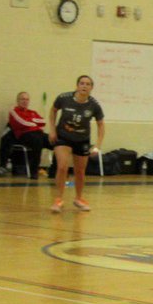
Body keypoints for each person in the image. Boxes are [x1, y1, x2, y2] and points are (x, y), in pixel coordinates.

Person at [49, 75, 105, 213]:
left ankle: (79, 198)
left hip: (82, 139)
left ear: (91, 88)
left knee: (80, 171)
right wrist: (51, 130)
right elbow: (53, 111)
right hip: (63, 137)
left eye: (88, 84)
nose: (84, 86)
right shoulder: (64, 98)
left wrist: (97, 145)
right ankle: (58, 199)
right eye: (82, 83)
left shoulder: (94, 105)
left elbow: (101, 125)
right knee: (62, 166)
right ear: (77, 85)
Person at [3, 91, 52, 178]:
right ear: (18, 101)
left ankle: (54, 170)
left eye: (27, 99)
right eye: (22, 99)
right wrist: (34, 122)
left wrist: (31, 121)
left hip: (38, 134)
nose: (25, 101)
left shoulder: (32, 112)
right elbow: (22, 122)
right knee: (37, 141)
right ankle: (34, 171)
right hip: (24, 135)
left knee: (56, 141)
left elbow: (43, 121)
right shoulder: (14, 111)